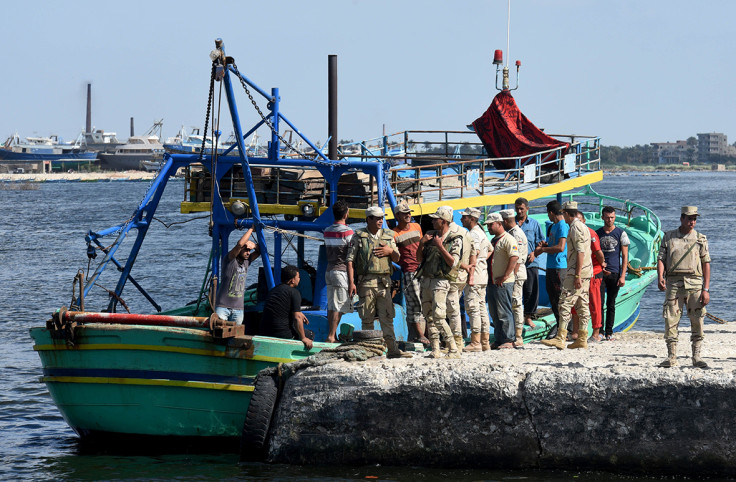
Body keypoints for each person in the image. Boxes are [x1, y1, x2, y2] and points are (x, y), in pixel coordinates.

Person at [347, 206, 410, 359]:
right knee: (367, 318)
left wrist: (390, 251)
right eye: (377, 218)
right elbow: (350, 261)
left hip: (384, 283)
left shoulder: (389, 235)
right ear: (369, 219)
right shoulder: (358, 236)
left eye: (382, 217)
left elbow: (397, 258)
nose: (381, 220)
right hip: (366, 282)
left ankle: (393, 349)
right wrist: (351, 283)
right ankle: (369, 350)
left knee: (387, 318)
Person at [656, 206, 711, 369]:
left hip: (694, 284)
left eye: (694, 219)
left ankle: (697, 357)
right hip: (674, 284)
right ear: (681, 218)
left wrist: (706, 289)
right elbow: (661, 259)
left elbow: (706, 263)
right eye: (689, 218)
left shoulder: (700, 239)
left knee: (698, 320)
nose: (692, 221)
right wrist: (660, 277)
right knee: (671, 320)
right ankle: (671, 356)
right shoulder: (669, 237)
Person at [541, 201, 592, 350]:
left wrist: (576, 275)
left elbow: (580, 252)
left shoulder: (575, 228)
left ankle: (561, 337)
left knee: (564, 302)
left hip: (576, 271)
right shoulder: (584, 227)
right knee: (582, 304)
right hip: (586, 271)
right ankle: (582, 337)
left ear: (566, 213)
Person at [416, 206, 462, 358]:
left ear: (443, 221)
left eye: (436, 219)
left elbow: (453, 263)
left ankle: (453, 347)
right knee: (428, 315)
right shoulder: (430, 236)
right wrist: (422, 243)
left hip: (441, 281)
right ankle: (435, 348)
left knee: (439, 316)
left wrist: (440, 247)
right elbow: (419, 259)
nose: (432, 221)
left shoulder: (454, 239)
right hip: (427, 280)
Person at [392, 200, 430, 345]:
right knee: (415, 303)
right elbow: (394, 254)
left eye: (408, 213)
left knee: (425, 301)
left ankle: (425, 334)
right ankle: (420, 335)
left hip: (423, 269)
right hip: (409, 271)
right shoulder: (394, 234)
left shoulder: (417, 226)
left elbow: (421, 246)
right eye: (404, 213)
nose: (408, 215)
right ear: (398, 216)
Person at [460, 207, 492, 351]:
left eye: (465, 217)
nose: (462, 219)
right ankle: (485, 342)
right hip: (483, 275)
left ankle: (475, 342)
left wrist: (471, 273)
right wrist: (481, 261)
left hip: (475, 276)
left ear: (472, 219)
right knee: (481, 309)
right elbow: (490, 249)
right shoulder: (482, 232)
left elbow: (475, 252)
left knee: (473, 309)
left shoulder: (473, 234)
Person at [260, 265, 314, 350]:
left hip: (265, 331)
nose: (299, 279)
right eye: (298, 277)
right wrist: (303, 338)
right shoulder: (294, 292)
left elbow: (282, 307)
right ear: (292, 280)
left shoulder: (273, 290)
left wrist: (299, 312)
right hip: (282, 333)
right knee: (310, 334)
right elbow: (297, 318)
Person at [486, 212, 519, 349]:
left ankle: (509, 339)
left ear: (499, 224)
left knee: (504, 311)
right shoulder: (494, 240)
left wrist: (505, 276)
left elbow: (514, 257)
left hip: (503, 282)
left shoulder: (508, 239)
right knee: (495, 312)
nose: (488, 227)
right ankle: (499, 338)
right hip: (493, 282)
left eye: (490, 225)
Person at [597, 206, 630, 341]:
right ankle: (599, 331)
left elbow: (625, 256)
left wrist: (623, 276)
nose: (609, 220)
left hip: (615, 273)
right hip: (600, 273)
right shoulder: (597, 233)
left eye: (612, 217)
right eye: (607, 217)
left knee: (611, 303)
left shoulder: (621, 233)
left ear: (614, 218)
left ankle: (609, 332)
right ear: (602, 217)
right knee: (599, 303)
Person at [323, 199, 354, 343]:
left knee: (331, 304)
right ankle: (331, 336)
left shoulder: (327, 231)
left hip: (329, 270)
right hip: (341, 273)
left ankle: (331, 334)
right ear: (346, 214)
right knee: (339, 305)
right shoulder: (348, 232)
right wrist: (352, 281)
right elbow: (350, 258)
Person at [572, 211, 605, 342]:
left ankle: (596, 332)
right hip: (579, 272)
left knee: (594, 302)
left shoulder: (591, 233)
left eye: (580, 221)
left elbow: (598, 252)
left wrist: (602, 264)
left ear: (584, 221)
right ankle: (575, 331)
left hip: (593, 272)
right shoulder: (574, 233)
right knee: (576, 302)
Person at [214, 227, 260, 324]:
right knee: (219, 333)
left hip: (238, 309)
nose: (248, 253)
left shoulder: (246, 262)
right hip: (223, 307)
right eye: (246, 250)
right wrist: (251, 229)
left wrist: (254, 246)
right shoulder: (230, 260)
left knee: (235, 335)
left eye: (249, 251)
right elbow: (239, 244)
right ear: (239, 251)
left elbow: (260, 251)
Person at [534, 200, 568, 330]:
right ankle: (560, 326)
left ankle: (565, 328)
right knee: (552, 296)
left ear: (551, 213)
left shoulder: (562, 226)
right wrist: (546, 245)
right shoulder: (552, 226)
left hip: (560, 266)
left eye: (548, 214)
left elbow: (560, 247)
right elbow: (553, 244)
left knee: (560, 298)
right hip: (551, 266)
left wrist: (543, 250)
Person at [446, 214, 475, 351]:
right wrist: (470, 271)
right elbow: (473, 253)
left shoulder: (451, 233)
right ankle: (457, 339)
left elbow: (454, 260)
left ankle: (456, 341)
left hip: (453, 275)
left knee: (452, 310)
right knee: (456, 308)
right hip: (462, 277)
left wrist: (465, 267)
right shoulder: (466, 233)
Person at [515, 197, 545, 328]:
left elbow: (541, 242)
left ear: (527, 209)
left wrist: (534, 253)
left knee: (531, 291)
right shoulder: (511, 224)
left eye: (522, 208)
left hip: (530, 263)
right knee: (515, 291)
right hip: (515, 263)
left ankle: (528, 317)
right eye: (517, 208)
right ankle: (515, 317)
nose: (519, 211)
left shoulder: (534, 224)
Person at [501, 209, 528, 348]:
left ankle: (518, 336)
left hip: (517, 273)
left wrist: (511, 275)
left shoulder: (516, 234)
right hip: (514, 273)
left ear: (505, 221)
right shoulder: (512, 233)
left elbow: (518, 258)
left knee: (516, 303)